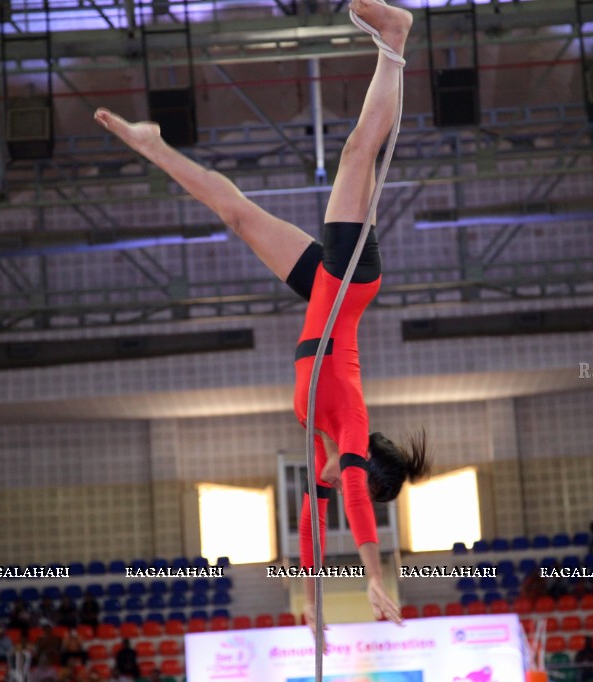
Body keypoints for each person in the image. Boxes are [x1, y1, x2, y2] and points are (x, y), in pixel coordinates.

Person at [93, 0, 429, 630]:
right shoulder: (349, 429)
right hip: (349, 282)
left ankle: (153, 146)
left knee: (238, 215)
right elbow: (354, 500)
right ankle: (394, 38)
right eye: (349, 476)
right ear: (363, 464)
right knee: (357, 154)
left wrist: (311, 599)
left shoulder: (322, 442)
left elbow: (309, 521)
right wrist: (376, 575)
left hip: (325, 290)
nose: (332, 482)